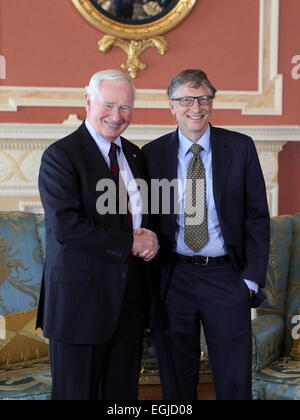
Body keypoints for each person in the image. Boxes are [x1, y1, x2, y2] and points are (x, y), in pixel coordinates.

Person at [141, 69, 270, 400]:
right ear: (171, 106)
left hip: (226, 276)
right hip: (174, 277)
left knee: (233, 378)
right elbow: (147, 219)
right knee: (176, 378)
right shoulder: (151, 155)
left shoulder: (240, 148)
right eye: (185, 99)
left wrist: (250, 281)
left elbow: (257, 217)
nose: (194, 107)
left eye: (202, 98)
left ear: (212, 101)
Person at [36, 69, 159, 400]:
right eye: (109, 105)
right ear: (88, 99)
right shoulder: (61, 156)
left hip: (129, 303)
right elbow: (65, 226)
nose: (117, 116)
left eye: (126, 108)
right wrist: (130, 242)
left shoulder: (134, 155)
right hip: (79, 306)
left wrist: (151, 238)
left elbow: (144, 216)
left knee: (122, 399)